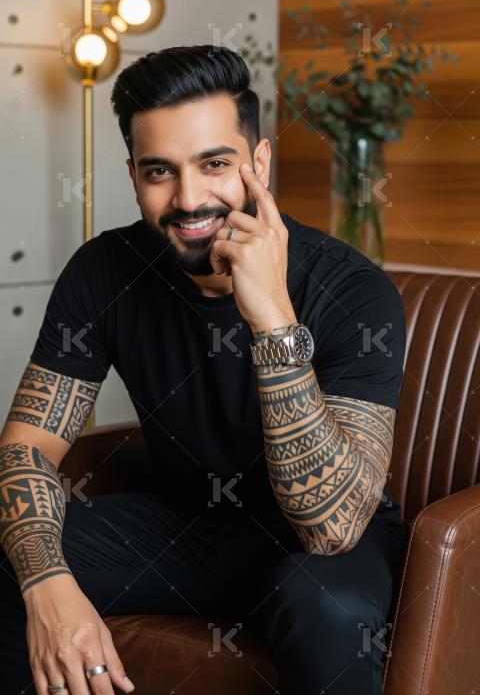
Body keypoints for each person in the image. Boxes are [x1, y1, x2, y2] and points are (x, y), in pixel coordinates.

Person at [0, 45, 407, 695]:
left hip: (323, 549)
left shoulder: (354, 291)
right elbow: (26, 449)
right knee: (14, 550)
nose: (189, 199)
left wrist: (272, 319)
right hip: (187, 527)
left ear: (259, 163)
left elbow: (331, 529)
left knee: (324, 606)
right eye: (160, 172)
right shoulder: (103, 270)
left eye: (215, 164)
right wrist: (48, 585)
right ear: (133, 175)